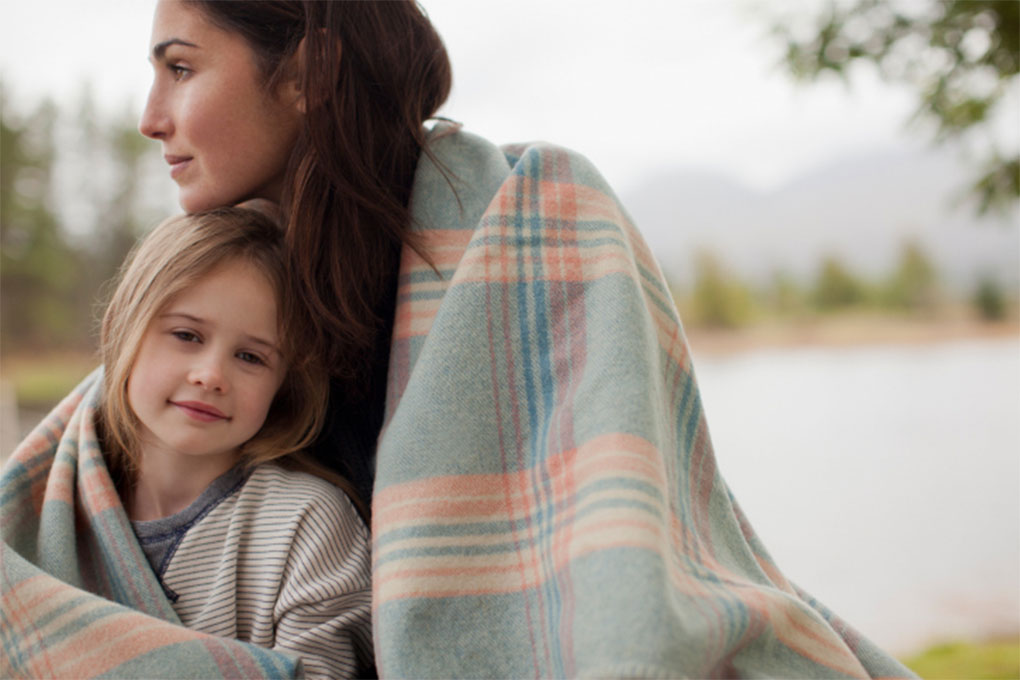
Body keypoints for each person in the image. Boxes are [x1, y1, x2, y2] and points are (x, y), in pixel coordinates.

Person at [2, 1, 918, 677]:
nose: (149, 113)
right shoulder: (229, 286)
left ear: (305, 74)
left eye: (182, 67)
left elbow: (618, 558)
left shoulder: (534, 214)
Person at [97, 207, 373, 679]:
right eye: (186, 335)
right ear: (129, 330)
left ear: (285, 383)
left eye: (250, 356)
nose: (211, 376)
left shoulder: (306, 521)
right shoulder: (62, 496)